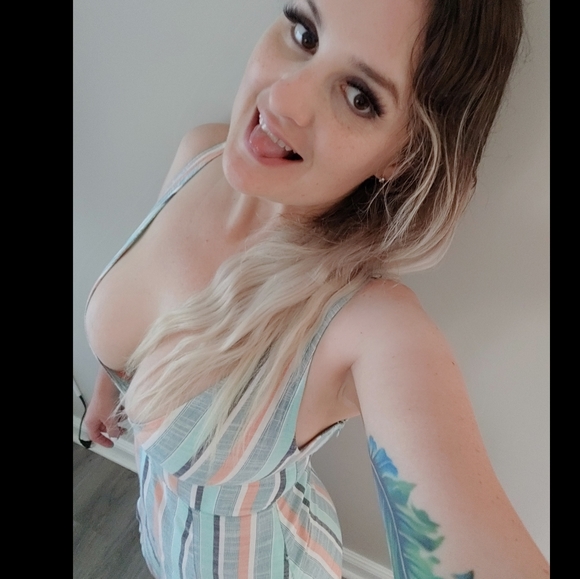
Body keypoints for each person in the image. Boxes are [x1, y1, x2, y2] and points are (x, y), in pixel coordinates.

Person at [83, 0, 549, 577]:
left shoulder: (367, 324)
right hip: (158, 533)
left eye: (359, 97)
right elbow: (141, 333)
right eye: (304, 33)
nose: (282, 99)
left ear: (403, 153)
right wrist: (107, 390)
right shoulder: (197, 155)